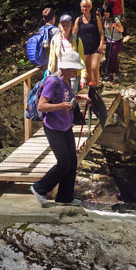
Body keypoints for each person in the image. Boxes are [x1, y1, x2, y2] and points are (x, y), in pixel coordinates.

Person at [31, 19, 87, 208]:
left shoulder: (67, 82)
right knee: (63, 163)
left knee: (72, 162)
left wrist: (77, 99)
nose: (77, 72)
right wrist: (60, 107)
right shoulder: (53, 81)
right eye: (75, 69)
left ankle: (65, 197)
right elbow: (41, 106)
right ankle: (39, 188)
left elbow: (66, 99)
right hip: (53, 127)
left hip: (66, 125)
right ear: (66, 68)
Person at [75, 0, 104, 87]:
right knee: (87, 70)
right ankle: (91, 89)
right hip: (84, 47)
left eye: (87, 7)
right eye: (83, 7)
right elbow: (73, 35)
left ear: (91, 7)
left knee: (94, 67)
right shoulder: (78, 20)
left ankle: (96, 87)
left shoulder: (96, 18)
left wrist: (101, 44)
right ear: (80, 7)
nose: (85, 9)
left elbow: (101, 33)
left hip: (96, 46)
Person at [102, 12, 124, 82]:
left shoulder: (115, 19)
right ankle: (109, 74)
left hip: (117, 40)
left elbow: (122, 30)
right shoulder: (104, 19)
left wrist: (116, 26)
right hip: (109, 41)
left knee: (113, 56)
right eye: (104, 14)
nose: (106, 16)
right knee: (107, 56)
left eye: (107, 14)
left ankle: (117, 73)